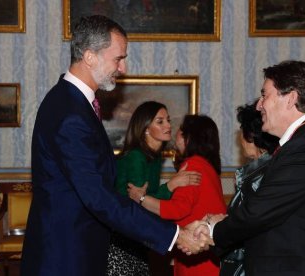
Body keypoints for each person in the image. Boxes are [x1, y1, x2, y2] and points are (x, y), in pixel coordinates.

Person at [20, 15, 207, 276]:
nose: (123, 68)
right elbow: (99, 197)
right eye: (118, 58)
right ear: (89, 57)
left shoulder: (72, 103)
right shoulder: (70, 113)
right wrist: (175, 235)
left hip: (75, 251)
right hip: (65, 258)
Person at [191, 60, 305, 275]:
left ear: (291, 98)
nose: (259, 105)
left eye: (265, 95)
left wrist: (214, 231)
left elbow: (260, 212)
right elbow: (276, 208)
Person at [107, 101, 201, 276]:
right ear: (145, 129)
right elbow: (137, 203)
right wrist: (172, 185)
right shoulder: (136, 156)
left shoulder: (153, 157)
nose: (168, 126)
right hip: (122, 237)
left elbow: (146, 199)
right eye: (160, 121)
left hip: (136, 234)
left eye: (168, 120)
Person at [128, 114, 227, 276]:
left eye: (180, 131)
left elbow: (177, 209)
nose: (175, 134)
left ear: (189, 138)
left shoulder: (193, 164)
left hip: (197, 258)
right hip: (207, 256)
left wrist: (141, 199)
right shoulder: (208, 167)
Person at [219, 100, 279, 276]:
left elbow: (244, 221)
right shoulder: (275, 167)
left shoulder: (255, 176)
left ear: (251, 135)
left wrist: (215, 227)